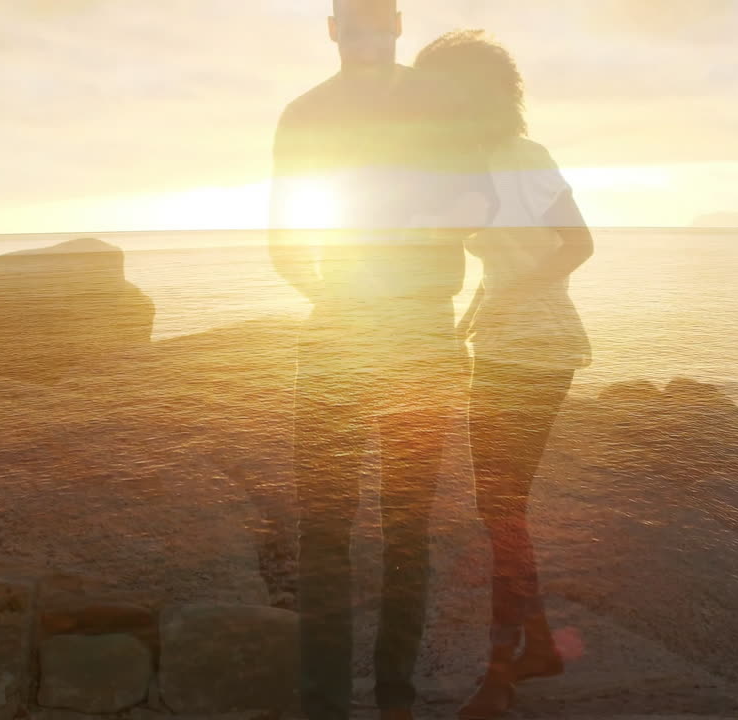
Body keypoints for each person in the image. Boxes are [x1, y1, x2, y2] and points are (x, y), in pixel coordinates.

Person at [268, 3, 497, 719]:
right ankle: (341, 703)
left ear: (398, 25)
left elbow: (482, 203)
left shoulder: (428, 105)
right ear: (332, 29)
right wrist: (344, 293)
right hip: (361, 331)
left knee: (397, 527)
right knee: (337, 530)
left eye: (381, 20)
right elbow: (284, 238)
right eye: (357, 21)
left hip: (405, 334)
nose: (371, 33)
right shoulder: (305, 114)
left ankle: (386, 698)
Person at [414, 30, 594, 719]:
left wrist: (510, 295)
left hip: (533, 349)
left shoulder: (500, 163)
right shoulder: (498, 159)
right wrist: (482, 308)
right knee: (502, 509)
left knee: (500, 510)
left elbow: (579, 245)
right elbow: (523, 249)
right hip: (510, 345)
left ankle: (498, 674)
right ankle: (540, 646)